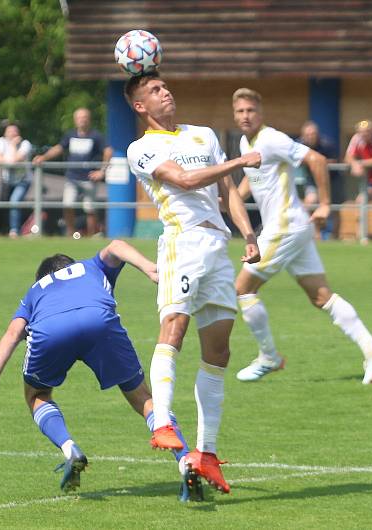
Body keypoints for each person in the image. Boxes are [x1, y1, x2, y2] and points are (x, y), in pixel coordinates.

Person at [0, 240, 203, 501]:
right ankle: (185, 460)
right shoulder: (91, 267)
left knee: (37, 395)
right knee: (143, 398)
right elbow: (116, 246)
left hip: (51, 330)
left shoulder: (35, 290)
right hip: (98, 321)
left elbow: (13, 333)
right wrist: (147, 267)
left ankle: (70, 449)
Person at [125, 72, 261, 495]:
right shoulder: (142, 148)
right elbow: (183, 181)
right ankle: (162, 422)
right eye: (154, 90)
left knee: (219, 350)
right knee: (174, 328)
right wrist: (239, 162)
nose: (165, 92)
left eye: (165, 86)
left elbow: (227, 192)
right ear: (140, 106)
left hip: (217, 248)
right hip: (181, 243)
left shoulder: (203, 135)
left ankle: (206, 453)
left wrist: (249, 234)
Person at [231, 88, 372, 386]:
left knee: (242, 288)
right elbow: (250, 183)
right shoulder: (245, 142)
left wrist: (326, 204)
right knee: (320, 296)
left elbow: (316, 159)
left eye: (250, 110)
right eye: (240, 111)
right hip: (295, 229)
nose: (245, 116)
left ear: (260, 113)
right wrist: (229, 200)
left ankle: (268, 356)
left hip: (285, 227)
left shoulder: (272, 139)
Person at [32, 108, 111, 237]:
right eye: (79, 118)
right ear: (75, 120)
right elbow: (59, 148)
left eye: (85, 117)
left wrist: (102, 171)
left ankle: (92, 235)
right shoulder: (70, 135)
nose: (82, 120)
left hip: (89, 179)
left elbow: (108, 151)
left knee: (90, 208)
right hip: (72, 178)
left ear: (89, 119)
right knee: (68, 205)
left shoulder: (96, 136)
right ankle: (71, 233)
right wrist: (43, 157)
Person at [297, 121, 344, 240]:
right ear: (303, 135)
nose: (310, 137)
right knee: (311, 202)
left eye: (313, 134)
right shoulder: (299, 145)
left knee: (335, 209)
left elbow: (335, 161)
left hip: (332, 180)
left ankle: (335, 237)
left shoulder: (327, 144)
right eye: (307, 135)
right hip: (312, 180)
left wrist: (317, 162)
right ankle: (315, 234)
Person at [0, 124, 33, 239]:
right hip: (6, 180)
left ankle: (14, 231)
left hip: (23, 180)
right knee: (5, 205)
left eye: (14, 131)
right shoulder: (1, 141)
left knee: (14, 202)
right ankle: (5, 230)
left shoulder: (25, 144)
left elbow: (16, 160)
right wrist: (9, 160)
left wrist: (12, 145)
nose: (12, 133)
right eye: (9, 131)